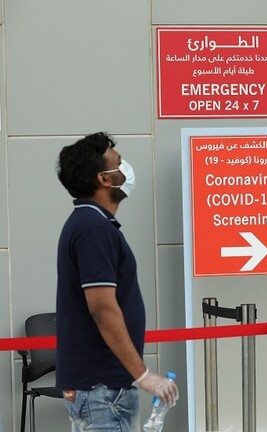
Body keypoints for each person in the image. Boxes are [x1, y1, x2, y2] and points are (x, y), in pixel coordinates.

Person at [56, 132, 178, 431]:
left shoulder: (92, 224)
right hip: (102, 391)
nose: (126, 168)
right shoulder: (94, 229)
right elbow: (102, 308)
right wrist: (143, 375)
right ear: (104, 179)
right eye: (119, 163)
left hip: (101, 389)